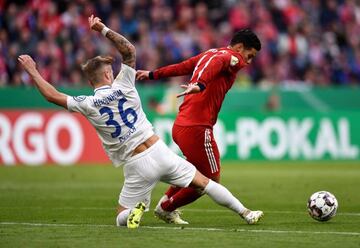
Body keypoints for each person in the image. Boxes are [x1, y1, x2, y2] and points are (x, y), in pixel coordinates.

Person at [18, 15, 263, 229]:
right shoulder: (125, 84)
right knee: (207, 183)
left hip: (135, 164)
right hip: (158, 150)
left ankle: (136, 212)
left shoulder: (87, 103)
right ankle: (244, 212)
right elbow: (129, 50)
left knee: (121, 216)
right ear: (107, 75)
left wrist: (32, 71)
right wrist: (103, 30)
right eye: (110, 70)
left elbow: (52, 95)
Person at [136, 29, 261, 224]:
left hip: (182, 125)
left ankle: (165, 203)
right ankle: (166, 208)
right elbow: (218, 63)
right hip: (197, 127)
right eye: (249, 55)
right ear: (239, 47)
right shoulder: (229, 57)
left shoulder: (210, 53)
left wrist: (153, 74)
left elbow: (182, 67)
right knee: (211, 179)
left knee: (193, 172)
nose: (249, 61)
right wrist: (200, 84)